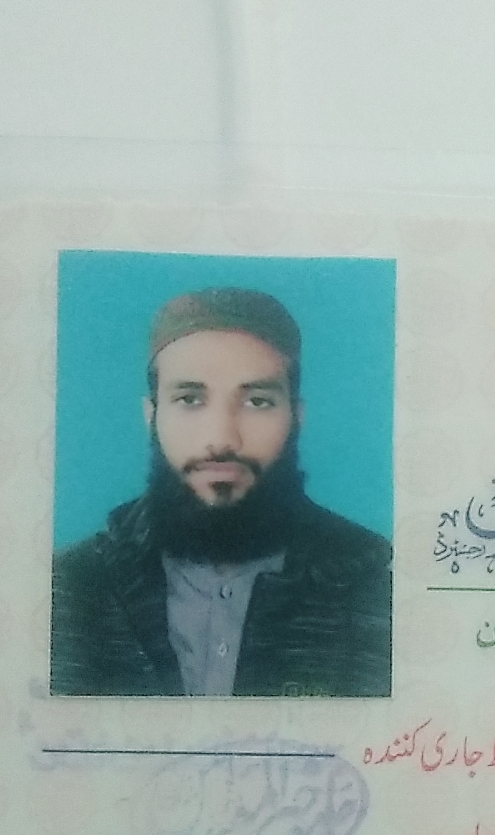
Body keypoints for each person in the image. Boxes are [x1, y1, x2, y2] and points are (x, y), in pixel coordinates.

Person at [51, 286, 392, 697]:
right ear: (151, 416)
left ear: (296, 418)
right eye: (189, 399)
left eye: (258, 402)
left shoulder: (378, 586)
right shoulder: (67, 589)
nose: (222, 438)